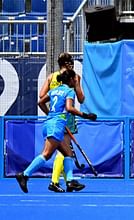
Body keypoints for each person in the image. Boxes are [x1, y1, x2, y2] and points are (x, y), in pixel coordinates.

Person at [16, 69, 97, 193]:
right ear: (70, 80)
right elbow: (69, 108)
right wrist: (86, 115)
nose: (76, 80)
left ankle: (70, 181)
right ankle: (24, 175)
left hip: (50, 123)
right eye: (74, 78)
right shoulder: (69, 91)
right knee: (46, 154)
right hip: (56, 125)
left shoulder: (54, 90)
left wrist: (51, 115)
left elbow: (40, 102)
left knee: (68, 153)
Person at [39, 53, 85, 193]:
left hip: (54, 117)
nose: (72, 64)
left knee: (63, 150)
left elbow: (42, 96)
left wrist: (51, 112)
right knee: (64, 150)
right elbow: (81, 99)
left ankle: (68, 181)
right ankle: (55, 181)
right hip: (67, 116)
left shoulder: (51, 77)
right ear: (65, 64)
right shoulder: (74, 77)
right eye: (70, 61)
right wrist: (75, 85)